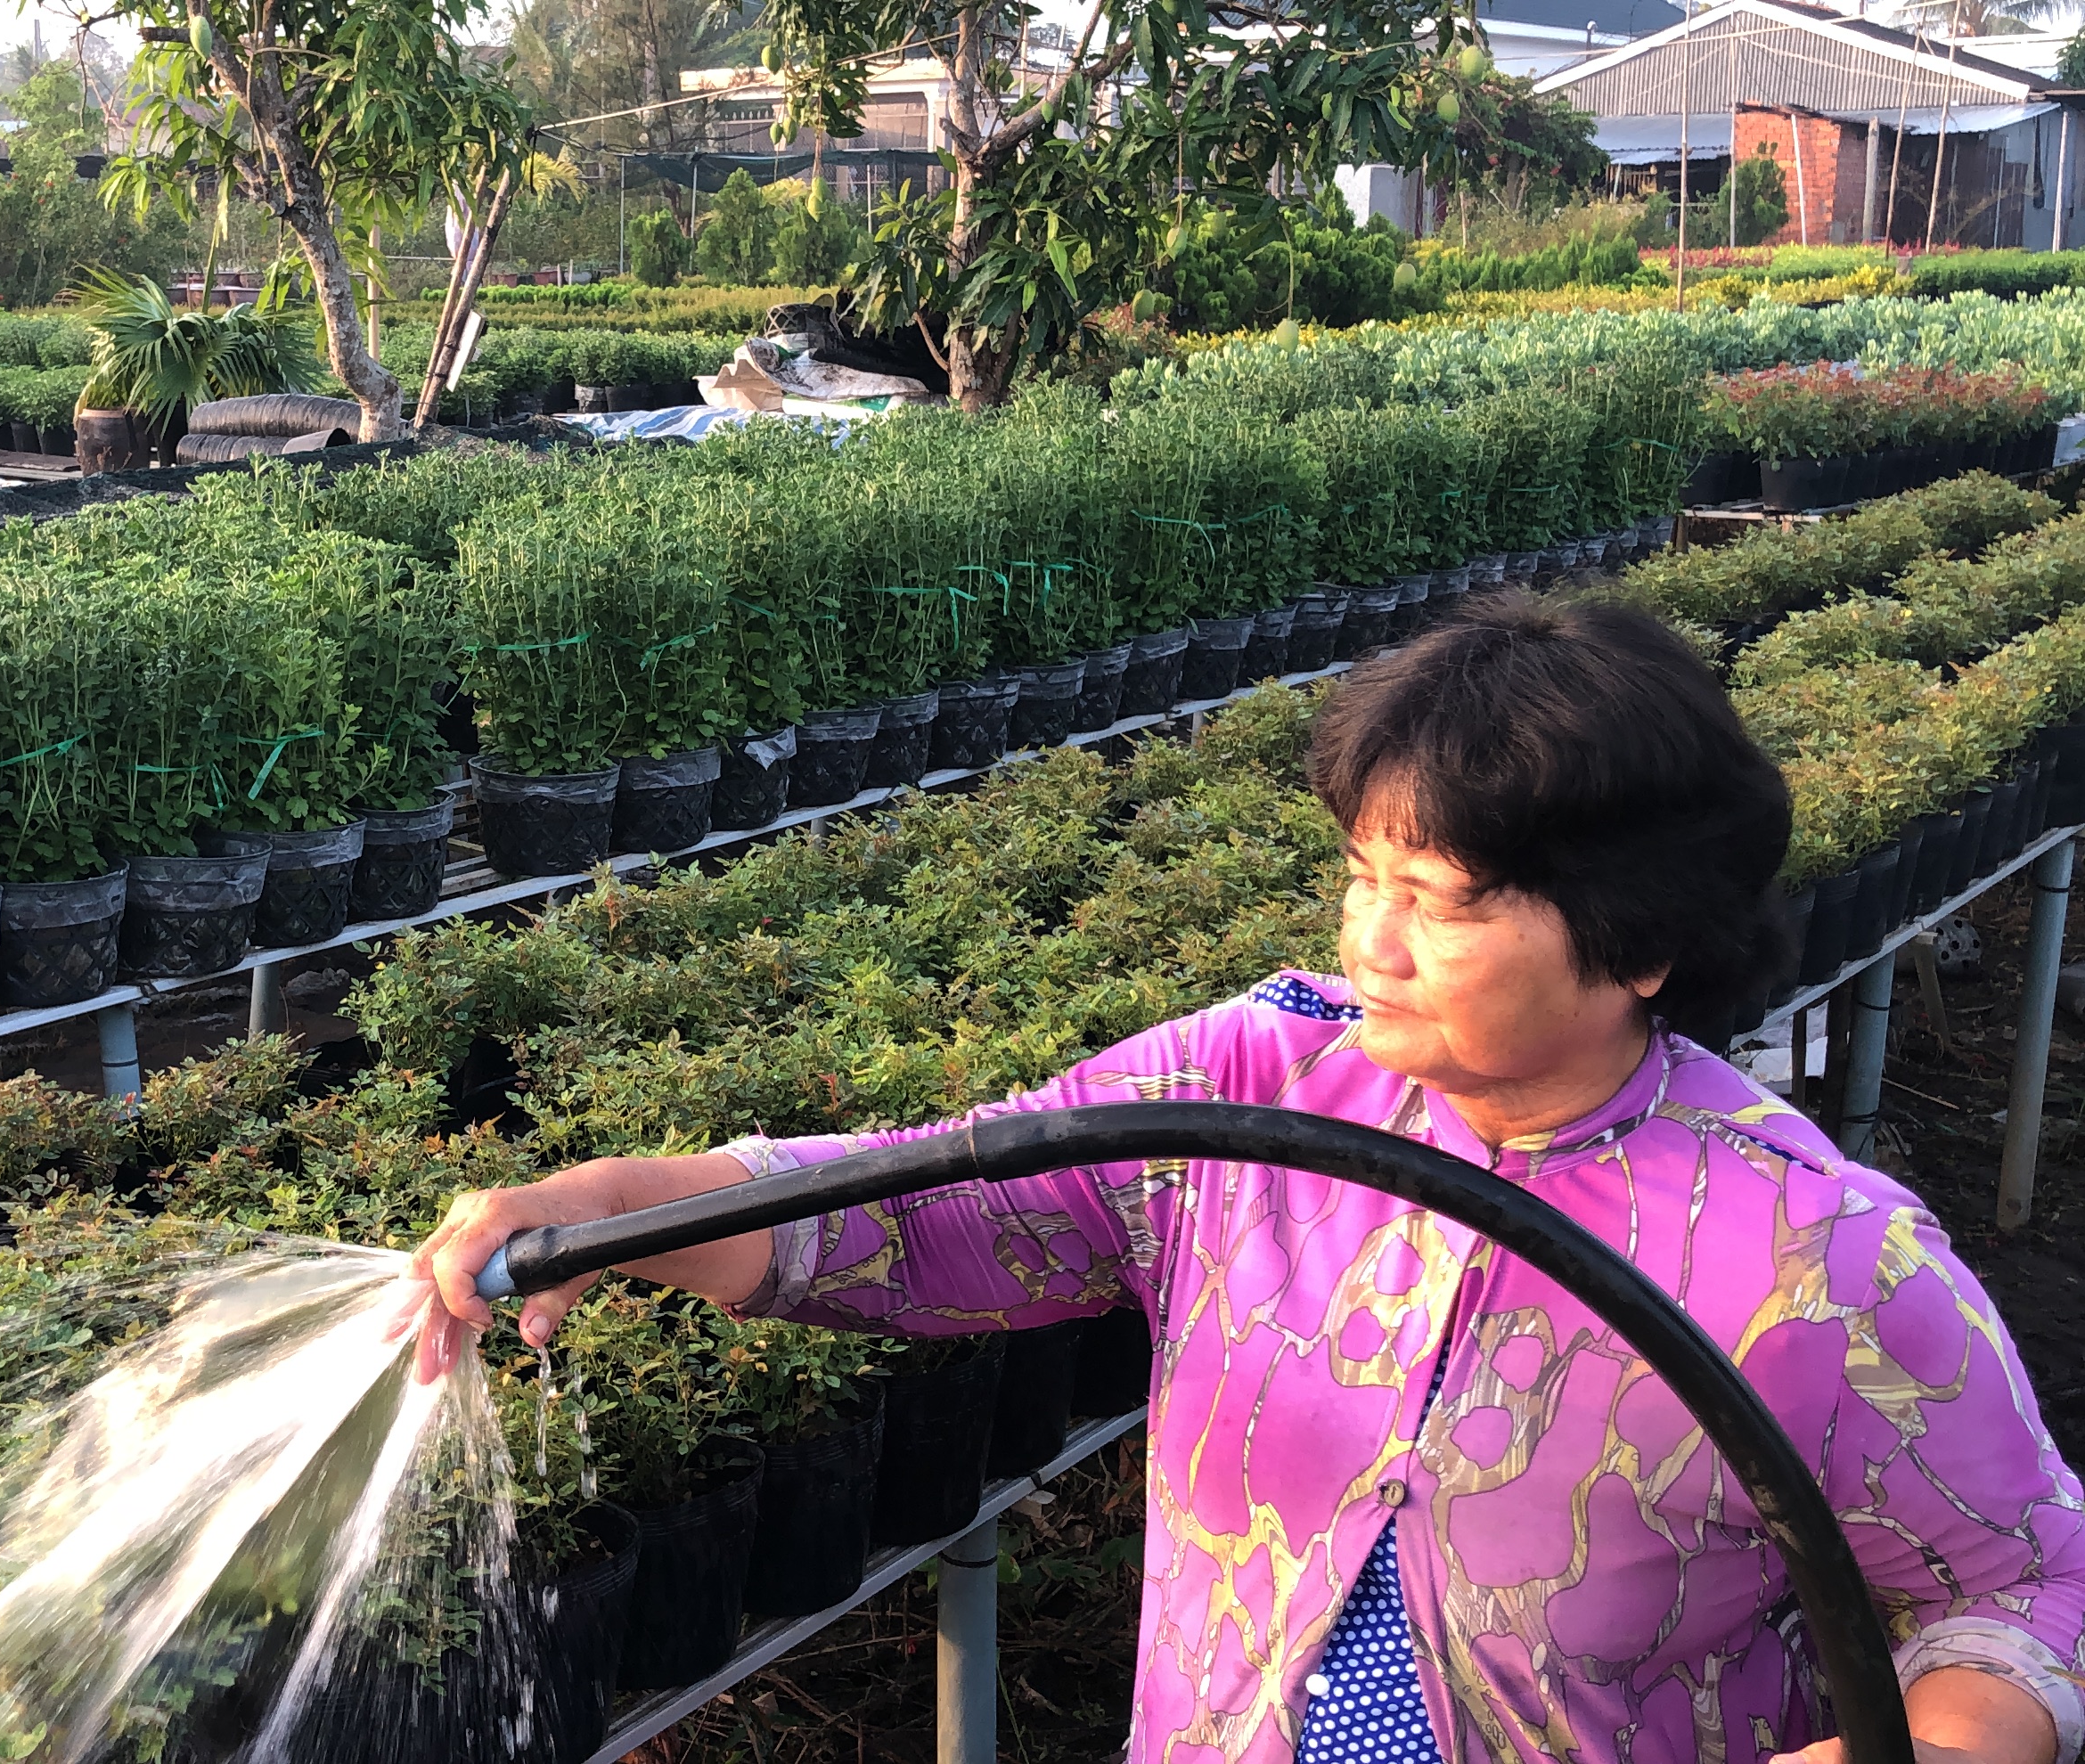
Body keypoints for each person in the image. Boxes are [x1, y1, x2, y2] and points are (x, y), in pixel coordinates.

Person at [407, 593, 2085, 1764]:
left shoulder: (1816, 1260)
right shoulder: (1254, 1085)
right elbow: (951, 1209)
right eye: (1362, 874)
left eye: (1438, 896)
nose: (1372, 940)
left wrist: (1948, 1744)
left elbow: (2015, 1588)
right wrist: (635, 1203)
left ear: (1642, 939)